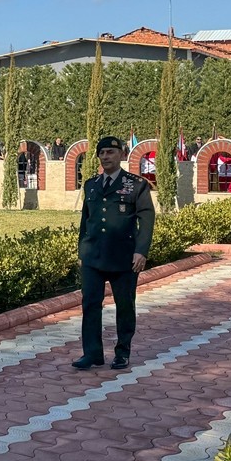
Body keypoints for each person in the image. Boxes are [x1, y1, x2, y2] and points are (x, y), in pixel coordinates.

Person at [72, 136, 155, 372]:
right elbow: (85, 220)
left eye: (110, 152)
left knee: (125, 305)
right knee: (90, 304)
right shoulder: (91, 184)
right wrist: (82, 249)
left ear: (120, 155)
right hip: (93, 256)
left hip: (124, 256)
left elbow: (147, 219)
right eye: (102, 153)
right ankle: (92, 353)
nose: (106, 157)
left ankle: (122, 352)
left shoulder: (135, 184)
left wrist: (141, 251)